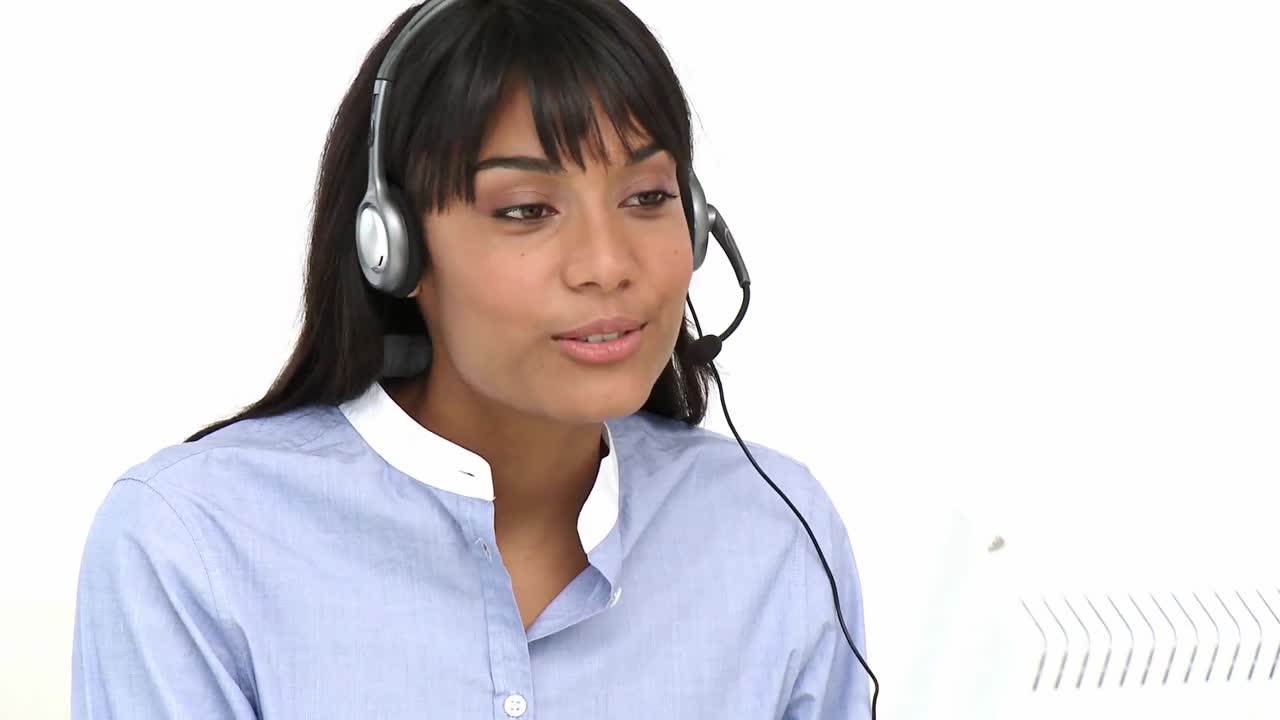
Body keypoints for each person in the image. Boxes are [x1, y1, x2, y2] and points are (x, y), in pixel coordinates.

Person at [71, 1, 871, 717]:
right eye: (526, 210)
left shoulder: (773, 534)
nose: (607, 263)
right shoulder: (193, 545)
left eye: (647, 198)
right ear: (394, 248)